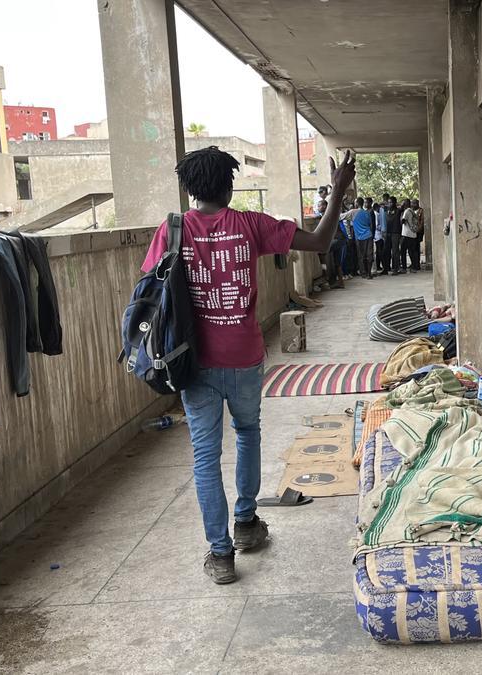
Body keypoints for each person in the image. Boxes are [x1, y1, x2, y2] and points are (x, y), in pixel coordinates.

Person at [140, 146, 356, 584]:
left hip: (191, 360)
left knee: (205, 455)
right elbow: (318, 242)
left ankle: (220, 555)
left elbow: (148, 288)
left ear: (189, 188)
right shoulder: (250, 225)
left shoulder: (172, 229)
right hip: (243, 355)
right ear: (229, 185)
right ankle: (246, 523)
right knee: (248, 432)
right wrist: (336, 194)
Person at [341, 197, 375, 279]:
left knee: (361, 256)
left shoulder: (353, 212)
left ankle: (363, 273)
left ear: (356, 203)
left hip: (359, 237)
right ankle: (369, 273)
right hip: (368, 235)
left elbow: (340, 216)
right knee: (369, 255)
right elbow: (370, 225)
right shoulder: (367, 212)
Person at [400, 198, 421, 273]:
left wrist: (401, 213)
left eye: (403, 203)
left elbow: (402, 221)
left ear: (405, 204)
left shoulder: (406, 211)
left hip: (406, 234)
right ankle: (414, 267)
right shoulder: (412, 211)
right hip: (413, 234)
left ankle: (404, 268)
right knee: (412, 251)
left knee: (403, 251)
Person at [385, 195, 404, 275]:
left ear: (395, 203)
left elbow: (403, 205)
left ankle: (395, 268)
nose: (390, 204)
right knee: (386, 251)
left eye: (391, 202)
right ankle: (386, 268)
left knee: (395, 251)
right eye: (388, 202)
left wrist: (399, 204)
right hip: (388, 233)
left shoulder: (398, 210)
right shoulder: (386, 211)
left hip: (395, 233)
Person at [374, 197, 388, 275]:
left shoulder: (380, 212)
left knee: (381, 251)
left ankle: (385, 268)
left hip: (380, 234)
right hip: (381, 233)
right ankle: (383, 267)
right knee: (381, 251)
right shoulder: (382, 211)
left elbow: (379, 225)